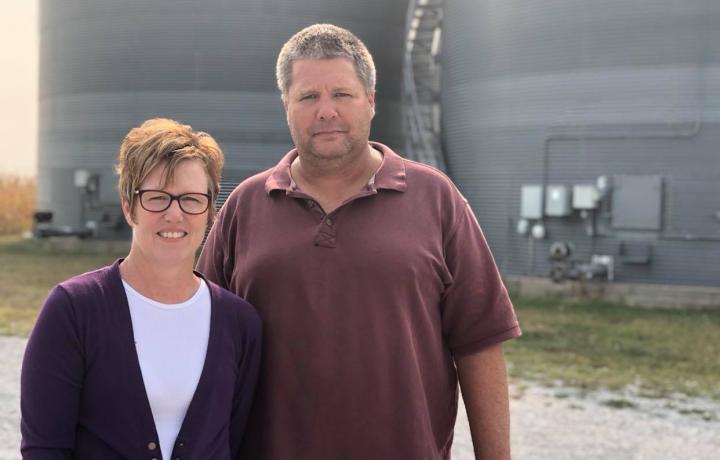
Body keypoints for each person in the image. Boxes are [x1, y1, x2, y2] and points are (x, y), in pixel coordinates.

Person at [198, 24, 521, 459]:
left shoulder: (436, 198)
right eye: (308, 97)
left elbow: (479, 343)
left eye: (342, 94)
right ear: (286, 107)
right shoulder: (245, 205)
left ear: (370, 101)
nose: (326, 111)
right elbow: (203, 343)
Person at [21, 118, 262, 460]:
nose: (175, 214)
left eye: (191, 199)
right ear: (128, 205)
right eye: (157, 198)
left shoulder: (240, 324)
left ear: (211, 211)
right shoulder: (74, 310)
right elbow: (44, 449)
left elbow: (236, 443)